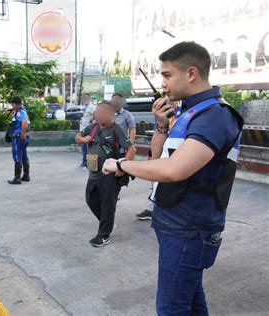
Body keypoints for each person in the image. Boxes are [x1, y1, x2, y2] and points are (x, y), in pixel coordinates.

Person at [102, 41, 243, 314]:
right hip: (175, 220)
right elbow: (158, 158)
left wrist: (121, 164)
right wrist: (161, 124)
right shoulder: (189, 112)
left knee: (171, 308)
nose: (162, 83)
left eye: (167, 75)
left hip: (189, 226)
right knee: (190, 299)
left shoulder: (214, 115)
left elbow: (173, 169)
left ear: (191, 73)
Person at [75, 101, 136, 247]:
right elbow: (77, 136)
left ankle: (103, 235)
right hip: (93, 171)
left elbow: (131, 150)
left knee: (108, 204)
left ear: (112, 115)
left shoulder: (116, 130)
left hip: (109, 174)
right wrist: (83, 139)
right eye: (98, 112)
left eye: (104, 112)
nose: (100, 114)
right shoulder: (92, 128)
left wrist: (121, 169)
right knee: (91, 199)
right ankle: (107, 223)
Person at [7, 96, 30, 185]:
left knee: (17, 156)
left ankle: (17, 178)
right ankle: (26, 175)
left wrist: (23, 134)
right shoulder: (20, 111)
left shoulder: (20, 112)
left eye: (12, 104)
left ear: (15, 104)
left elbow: (24, 122)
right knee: (24, 156)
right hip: (21, 137)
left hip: (18, 138)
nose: (11, 105)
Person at [79, 93, 96, 170]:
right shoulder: (84, 107)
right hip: (83, 130)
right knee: (84, 148)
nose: (85, 100)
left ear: (89, 98)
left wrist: (91, 120)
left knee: (88, 148)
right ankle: (84, 163)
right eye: (83, 98)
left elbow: (96, 114)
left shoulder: (92, 107)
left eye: (86, 98)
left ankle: (88, 165)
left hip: (88, 130)